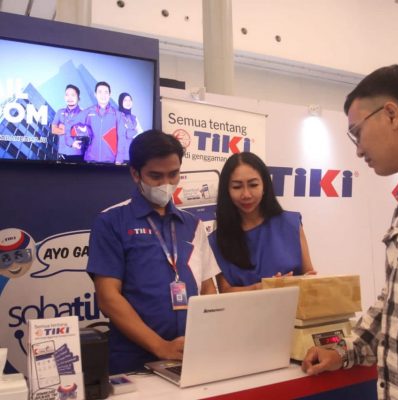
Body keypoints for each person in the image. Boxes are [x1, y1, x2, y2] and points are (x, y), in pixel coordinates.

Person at [301, 65, 398, 400]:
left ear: (391, 114)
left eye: (357, 132)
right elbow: (397, 300)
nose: (359, 150)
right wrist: (344, 351)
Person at [86, 129, 220, 374]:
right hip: (134, 362)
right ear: (135, 173)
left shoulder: (192, 224)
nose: (166, 184)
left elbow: (208, 288)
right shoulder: (111, 221)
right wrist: (160, 346)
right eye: (156, 176)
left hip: (190, 355)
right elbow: (108, 297)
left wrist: (204, 337)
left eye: (173, 174)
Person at [209, 152, 315, 293]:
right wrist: (263, 287)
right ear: (226, 191)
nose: (246, 194)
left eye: (253, 185)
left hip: (295, 307)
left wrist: (308, 281)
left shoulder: (291, 223)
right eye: (237, 187)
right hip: (244, 308)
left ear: (265, 186)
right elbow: (225, 291)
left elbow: (309, 275)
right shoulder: (217, 240)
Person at [80, 81, 124, 163]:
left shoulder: (118, 115)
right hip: (90, 159)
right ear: (95, 94)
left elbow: (122, 138)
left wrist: (119, 159)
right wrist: (72, 141)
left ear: (110, 94)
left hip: (110, 160)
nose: (103, 95)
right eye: (100, 92)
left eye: (106, 92)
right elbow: (73, 125)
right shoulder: (88, 112)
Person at [51, 84, 83, 162]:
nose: (69, 98)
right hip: (62, 154)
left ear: (78, 98)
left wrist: (62, 127)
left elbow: (83, 133)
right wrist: (70, 129)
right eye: (67, 95)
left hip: (77, 154)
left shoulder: (83, 114)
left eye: (73, 95)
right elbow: (54, 130)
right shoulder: (60, 112)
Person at [118, 92, 143, 163]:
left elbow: (141, 133)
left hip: (132, 153)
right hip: (120, 154)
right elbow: (124, 133)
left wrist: (130, 132)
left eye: (130, 100)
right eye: (125, 100)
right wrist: (133, 131)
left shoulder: (134, 117)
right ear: (120, 102)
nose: (128, 102)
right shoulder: (117, 116)